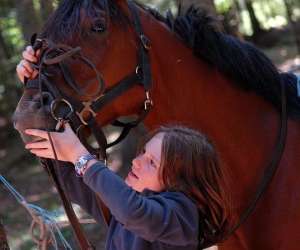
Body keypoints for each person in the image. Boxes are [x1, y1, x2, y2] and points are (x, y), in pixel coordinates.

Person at [17, 47, 233, 250]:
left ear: (181, 182)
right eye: (143, 153)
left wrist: (80, 156)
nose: (137, 161)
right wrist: (34, 85)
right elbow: (61, 162)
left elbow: (134, 212)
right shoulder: (125, 205)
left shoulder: (182, 216)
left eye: (152, 162)